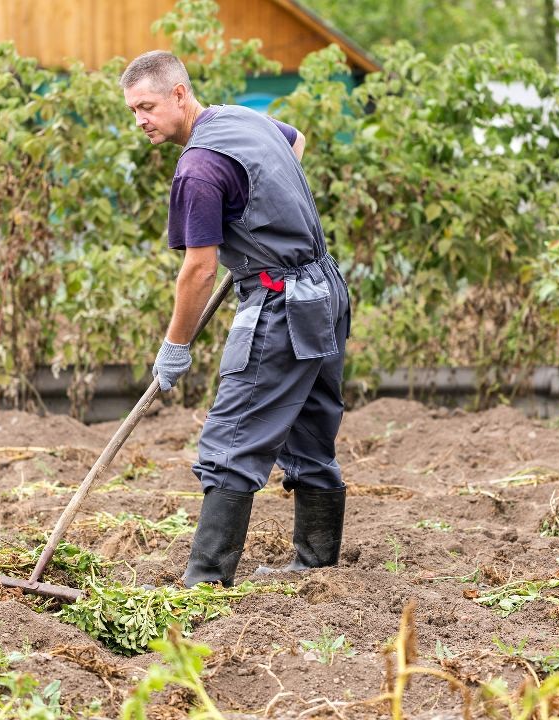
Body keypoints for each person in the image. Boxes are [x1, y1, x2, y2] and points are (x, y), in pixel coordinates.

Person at [120, 51, 350, 588]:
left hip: (281, 306)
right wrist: (266, 222)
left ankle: (203, 581)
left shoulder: (198, 168)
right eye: (133, 111)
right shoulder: (244, 118)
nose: (141, 121)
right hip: (325, 289)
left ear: (180, 94)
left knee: (232, 437)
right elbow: (295, 144)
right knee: (311, 428)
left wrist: (175, 345)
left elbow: (198, 270)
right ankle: (317, 566)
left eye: (147, 106)